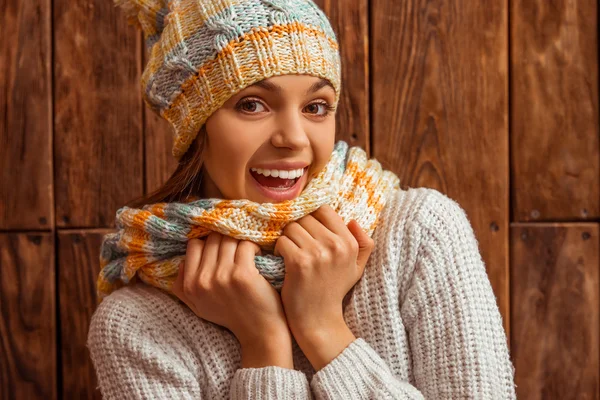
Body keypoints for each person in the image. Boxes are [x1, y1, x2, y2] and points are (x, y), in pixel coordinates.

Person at [87, 0, 518, 399]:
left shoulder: (419, 234)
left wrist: (323, 329)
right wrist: (265, 343)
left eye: (316, 106)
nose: (293, 139)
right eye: (252, 104)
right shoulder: (136, 325)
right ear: (194, 126)